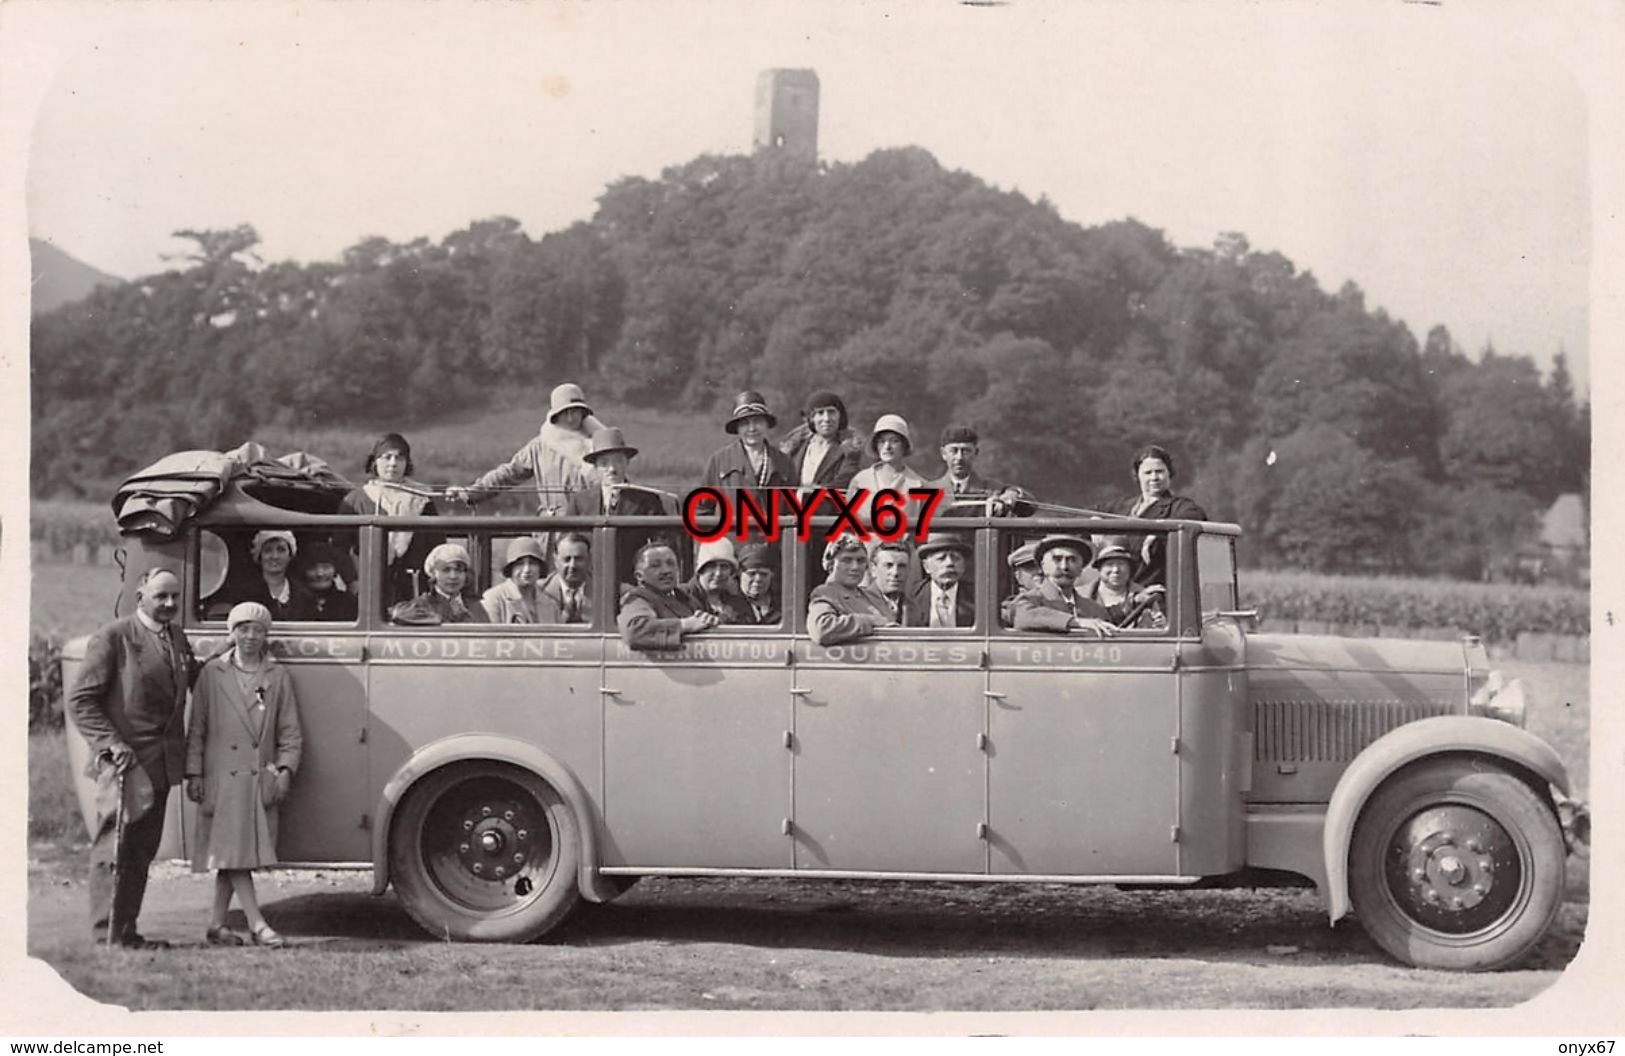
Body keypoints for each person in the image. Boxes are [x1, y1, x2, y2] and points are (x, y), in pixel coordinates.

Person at [68, 567, 198, 948]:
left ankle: (127, 931)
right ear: (141, 594)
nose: (170, 604)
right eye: (161, 596)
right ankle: (104, 933)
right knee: (115, 848)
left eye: (175, 597)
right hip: (125, 764)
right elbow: (81, 701)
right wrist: (112, 744)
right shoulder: (114, 637)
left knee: (141, 851)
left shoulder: (176, 636)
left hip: (161, 764)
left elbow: (191, 679)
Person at [184, 602, 303, 948]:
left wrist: (285, 770)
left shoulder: (277, 676)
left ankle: (217, 924)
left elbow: (291, 732)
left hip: (257, 778)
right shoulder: (212, 674)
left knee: (232, 853)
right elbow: (197, 729)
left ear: (267, 635)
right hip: (220, 777)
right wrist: (195, 773)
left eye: (258, 630)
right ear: (232, 632)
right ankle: (257, 923)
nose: (250, 636)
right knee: (234, 852)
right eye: (243, 628)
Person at [446, 387, 593, 515]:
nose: (570, 418)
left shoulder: (595, 445)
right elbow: (508, 473)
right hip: (551, 527)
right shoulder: (539, 446)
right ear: (555, 416)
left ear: (583, 414)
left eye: (575, 411)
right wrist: (470, 492)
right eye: (564, 412)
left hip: (586, 527)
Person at [337, 433, 439, 602]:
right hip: (368, 586)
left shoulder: (422, 498)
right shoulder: (357, 499)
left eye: (399, 458)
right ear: (375, 462)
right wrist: (352, 580)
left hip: (414, 586)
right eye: (387, 457)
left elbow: (436, 544)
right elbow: (339, 547)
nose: (393, 463)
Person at [1108, 444, 1210, 585]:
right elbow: (1086, 513)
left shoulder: (1180, 506)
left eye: (1159, 471)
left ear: (1169, 473)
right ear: (1137, 475)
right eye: (1148, 473)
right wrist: (1094, 523)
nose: (1154, 477)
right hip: (1115, 588)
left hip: (1153, 593)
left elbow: (1195, 516)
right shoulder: (1123, 506)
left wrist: (1158, 531)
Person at [700, 390, 795, 514]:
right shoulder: (719, 461)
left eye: (758, 421)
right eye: (745, 423)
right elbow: (702, 509)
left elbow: (793, 512)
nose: (752, 428)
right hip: (730, 533)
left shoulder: (784, 462)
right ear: (737, 428)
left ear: (767, 425)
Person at [1010, 535, 1119, 637]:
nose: (1064, 566)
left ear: (1081, 568)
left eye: (1072, 560)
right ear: (1043, 566)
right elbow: (1022, 616)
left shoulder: (1095, 610)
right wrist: (1076, 622)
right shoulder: (1029, 601)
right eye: (1057, 559)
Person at [618, 539, 719, 649]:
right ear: (639, 576)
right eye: (655, 565)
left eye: (671, 564)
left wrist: (707, 620)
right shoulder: (638, 599)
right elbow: (635, 630)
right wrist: (685, 625)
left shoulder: (685, 598)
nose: (666, 570)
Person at [807, 536, 898, 646]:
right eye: (847, 560)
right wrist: (870, 621)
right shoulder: (826, 594)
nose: (855, 567)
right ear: (831, 565)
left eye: (861, 561)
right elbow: (822, 629)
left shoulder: (871, 595)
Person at [845, 414, 931, 529]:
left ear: (904, 446)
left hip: (902, 545)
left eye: (894, 441)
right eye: (882, 441)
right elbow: (847, 524)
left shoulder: (918, 485)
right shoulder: (860, 481)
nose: (887, 446)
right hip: (865, 545)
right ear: (876, 446)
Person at [926, 425, 1034, 516]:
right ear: (943, 454)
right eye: (953, 451)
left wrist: (1011, 495)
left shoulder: (991, 489)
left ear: (976, 453)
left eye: (965, 451)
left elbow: (1031, 507)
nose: (959, 457)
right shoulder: (927, 491)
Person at [564, 427, 671, 516]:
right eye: (604, 463)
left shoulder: (648, 501)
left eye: (618, 461)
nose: (612, 469)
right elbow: (566, 538)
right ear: (595, 467)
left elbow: (662, 538)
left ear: (627, 462)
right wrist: (576, 542)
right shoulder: (579, 501)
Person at [779, 390, 864, 494]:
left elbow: (845, 482)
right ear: (811, 418)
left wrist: (814, 493)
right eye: (820, 413)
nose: (826, 418)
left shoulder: (850, 451)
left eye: (831, 412)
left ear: (840, 416)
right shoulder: (795, 448)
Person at [392, 543, 490, 624]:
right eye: (446, 570)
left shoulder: (475, 605)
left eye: (459, 570)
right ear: (434, 574)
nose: (453, 576)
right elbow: (399, 614)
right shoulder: (424, 603)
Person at [1085, 543, 1168, 629]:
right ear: (1099, 569)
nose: (1116, 570)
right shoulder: (1080, 594)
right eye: (1109, 564)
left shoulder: (1146, 597)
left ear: (1130, 569)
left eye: (1121, 564)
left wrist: (1159, 626)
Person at [904, 532, 975, 628]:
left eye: (955, 558)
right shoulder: (911, 596)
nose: (949, 563)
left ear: (963, 565)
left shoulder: (977, 597)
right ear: (927, 567)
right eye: (941, 558)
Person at [242, 530, 309, 621]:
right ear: (259, 556)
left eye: (281, 550)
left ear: (290, 556)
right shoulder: (244, 594)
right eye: (268, 550)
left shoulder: (304, 594)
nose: (275, 556)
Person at [482, 537, 549, 624]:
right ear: (511, 568)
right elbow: (490, 636)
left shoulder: (550, 604)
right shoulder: (494, 599)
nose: (527, 569)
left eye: (532, 563)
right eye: (520, 564)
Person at [685, 539, 750, 623]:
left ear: (731, 572)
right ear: (701, 570)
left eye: (724, 566)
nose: (718, 573)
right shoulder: (682, 597)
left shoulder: (738, 601)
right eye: (711, 566)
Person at [292, 541, 358, 622]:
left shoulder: (349, 603)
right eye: (313, 568)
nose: (320, 573)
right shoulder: (294, 602)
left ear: (335, 570)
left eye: (326, 567)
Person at [539, 532, 593, 624]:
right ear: (555, 560)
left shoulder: (606, 590)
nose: (572, 565)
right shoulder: (538, 591)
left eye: (579, 559)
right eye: (567, 559)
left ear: (589, 559)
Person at [867, 539, 913, 626]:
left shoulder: (916, 607)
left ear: (909, 570)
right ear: (873, 569)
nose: (895, 572)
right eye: (888, 565)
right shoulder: (859, 603)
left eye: (902, 566)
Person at [1000, 540, 1043, 627]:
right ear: (1018, 576)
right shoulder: (1012, 606)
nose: (1040, 571)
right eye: (1031, 566)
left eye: (1043, 565)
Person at [737, 543, 781, 625]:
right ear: (740, 574)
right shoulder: (729, 607)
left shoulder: (782, 605)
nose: (758, 579)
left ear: (771, 575)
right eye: (751, 574)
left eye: (764, 574)